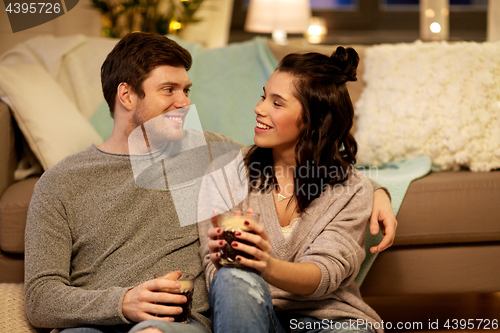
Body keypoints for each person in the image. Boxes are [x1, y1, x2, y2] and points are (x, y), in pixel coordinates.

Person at [25, 32, 395, 333]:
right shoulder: (61, 182)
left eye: (187, 91)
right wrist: (122, 302)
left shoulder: (211, 154)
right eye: (169, 90)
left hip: (172, 324)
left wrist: (378, 192)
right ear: (126, 95)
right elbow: (40, 298)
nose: (184, 103)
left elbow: (312, 162)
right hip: (92, 322)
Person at [201, 47, 384, 333]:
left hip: (330, 320)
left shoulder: (352, 190)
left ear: (313, 119)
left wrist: (266, 265)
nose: (259, 108)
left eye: (277, 103)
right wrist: (234, 260)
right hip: (252, 315)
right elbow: (218, 274)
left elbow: (326, 273)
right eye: (264, 96)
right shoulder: (227, 173)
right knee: (231, 277)